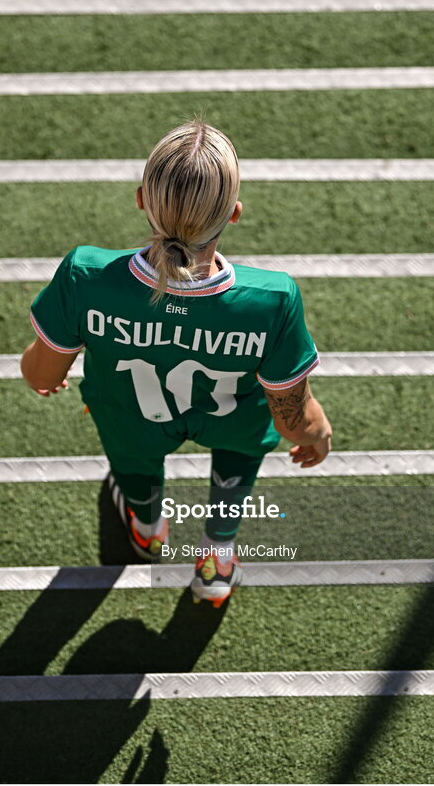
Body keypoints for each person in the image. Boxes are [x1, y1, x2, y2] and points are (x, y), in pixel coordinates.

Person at [20, 121, 332, 607]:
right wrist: (316, 432)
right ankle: (216, 560)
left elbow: (41, 374)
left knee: (134, 461)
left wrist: (41, 370)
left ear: (142, 199)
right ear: (234, 213)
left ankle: (147, 530)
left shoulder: (85, 275)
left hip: (134, 415)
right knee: (238, 456)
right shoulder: (272, 299)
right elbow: (293, 417)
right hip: (233, 419)